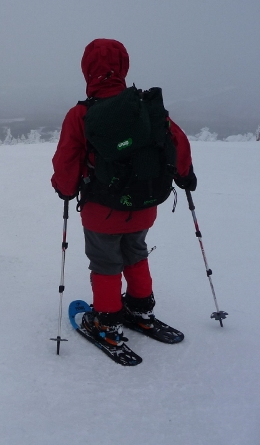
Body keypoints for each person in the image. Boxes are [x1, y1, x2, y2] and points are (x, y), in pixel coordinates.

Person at [51, 39, 196, 349]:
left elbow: (66, 160)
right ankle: (141, 311)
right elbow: (177, 141)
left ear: (87, 70)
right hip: (144, 204)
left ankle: (107, 323)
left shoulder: (81, 114)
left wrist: (64, 189)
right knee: (136, 254)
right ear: (123, 67)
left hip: (101, 211)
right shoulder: (144, 106)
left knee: (106, 263)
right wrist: (185, 175)